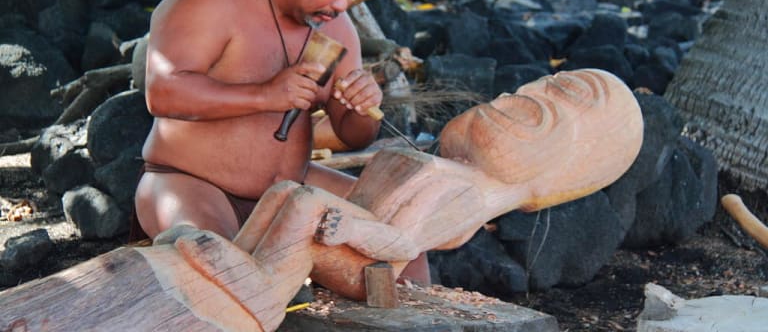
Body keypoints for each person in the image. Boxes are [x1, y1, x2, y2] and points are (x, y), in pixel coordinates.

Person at [167, 68, 643, 331]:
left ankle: (264, 294)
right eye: (527, 89)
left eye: (555, 98)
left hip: (367, 266)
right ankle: (241, 263)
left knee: (306, 204)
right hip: (357, 245)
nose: (512, 95)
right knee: (288, 191)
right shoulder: (451, 170)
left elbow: (403, 244)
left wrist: (352, 228)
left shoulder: (465, 195)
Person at [132, 0, 431, 284]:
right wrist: (265, 95)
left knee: (402, 243)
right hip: (190, 182)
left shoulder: (335, 27)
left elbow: (354, 135)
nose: (342, 6)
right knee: (223, 270)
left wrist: (362, 103)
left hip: (292, 190)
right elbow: (163, 93)